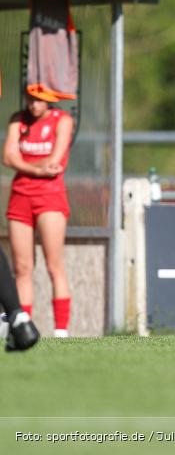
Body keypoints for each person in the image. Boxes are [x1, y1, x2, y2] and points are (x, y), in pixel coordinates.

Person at [2, 87, 74, 338]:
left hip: (49, 197)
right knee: (22, 267)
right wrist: (37, 168)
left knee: (54, 264)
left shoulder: (62, 120)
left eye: (40, 100)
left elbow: (55, 161)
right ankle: (24, 326)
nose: (34, 105)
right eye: (31, 99)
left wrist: (25, 164)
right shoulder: (17, 120)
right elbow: (8, 158)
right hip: (20, 196)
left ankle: (61, 330)